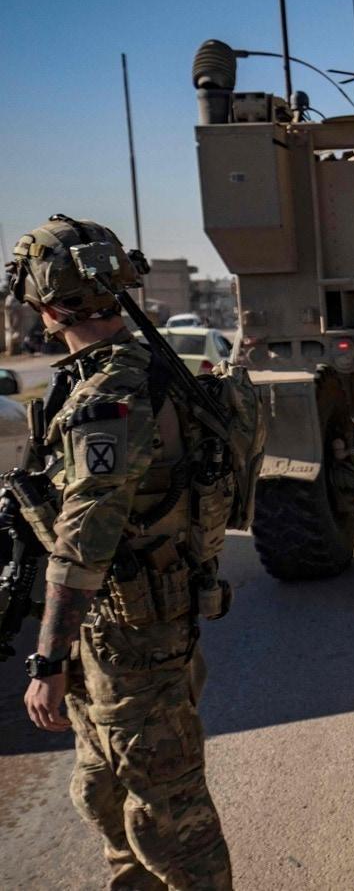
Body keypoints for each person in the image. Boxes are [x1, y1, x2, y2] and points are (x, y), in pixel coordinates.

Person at [10, 216, 234, 888]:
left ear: (49, 305)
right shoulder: (122, 373)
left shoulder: (113, 395)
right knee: (101, 792)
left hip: (133, 638)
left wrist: (48, 659)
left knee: (171, 818)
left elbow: (85, 538)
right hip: (116, 632)